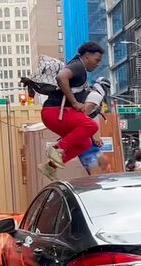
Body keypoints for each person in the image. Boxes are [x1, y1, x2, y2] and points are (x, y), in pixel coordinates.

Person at [39, 42, 104, 181]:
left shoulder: (80, 69)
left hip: (54, 114)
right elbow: (61, 77)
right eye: (96, 60)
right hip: (54, 112)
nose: (97, 64)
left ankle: (49, 167)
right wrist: (74, 102)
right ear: (86, 56)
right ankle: (57, 148)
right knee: (91, 126)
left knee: (84, 143)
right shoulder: (78, 65)